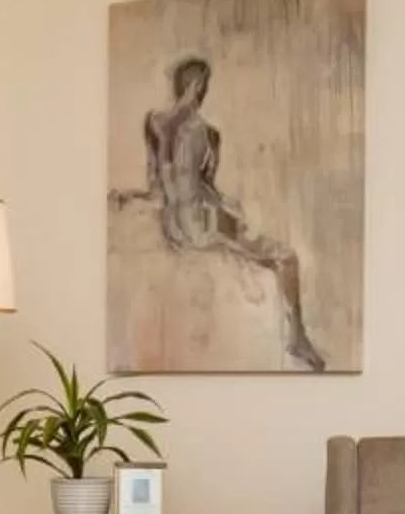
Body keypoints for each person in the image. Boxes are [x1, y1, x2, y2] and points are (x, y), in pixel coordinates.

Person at [121, 54, 327, 372]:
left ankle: (298, 334)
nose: (203, 92)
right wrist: (229, 208)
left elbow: (157, 185)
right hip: (200, 225)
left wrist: (132, 197)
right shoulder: (208, 133)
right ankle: (298, 336)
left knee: (237, 218)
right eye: (203, 85)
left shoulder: (154, 123)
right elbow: (205, 187)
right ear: (196, 85)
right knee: (286, 256)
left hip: (172, 226)